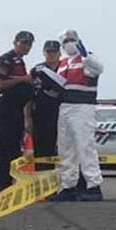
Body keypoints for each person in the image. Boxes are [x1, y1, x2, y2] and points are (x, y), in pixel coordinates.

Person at [50, 30, 105, 202]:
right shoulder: (63, 63)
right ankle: (68, 186)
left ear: (78, 41)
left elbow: (98, 69)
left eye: (72, 39)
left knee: (85, 147)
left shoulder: (88, 58)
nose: (69, 42)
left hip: (83, 107)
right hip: (65, 107)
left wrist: (85, 54)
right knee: (66, 149)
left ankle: (94, 186)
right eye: (66, 40)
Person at [0, 31, 35, 192]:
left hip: (16, 111)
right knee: (4, 150)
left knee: (14, 150)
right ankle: (1, 187)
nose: (26, 46)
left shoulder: (20, 62)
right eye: (23, 43)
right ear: (15, 42)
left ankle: (9, 185)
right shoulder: (6, 60)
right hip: (5, 110)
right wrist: (23, 79)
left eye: (29, 43)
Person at [29, 38, 64, 170]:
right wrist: (27, 118)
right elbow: (29, 95)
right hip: (41, 115)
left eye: (54, 52)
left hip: (63, 114)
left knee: (65, 150)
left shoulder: (65, 68)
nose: (51, 55)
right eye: (48, 52)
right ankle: (43, 182)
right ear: (44, 53)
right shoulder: (37, 70)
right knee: (42, 150)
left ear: (59, 53)